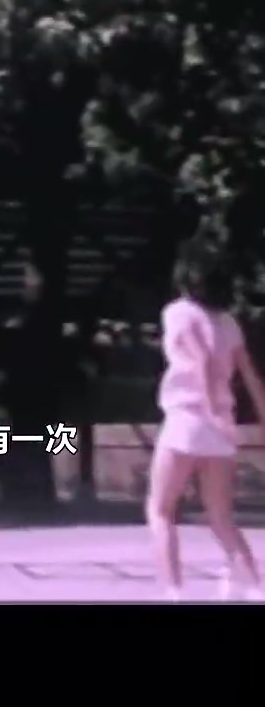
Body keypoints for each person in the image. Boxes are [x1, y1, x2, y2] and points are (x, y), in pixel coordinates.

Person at [147, 242, 265, 602]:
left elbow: (203, 360)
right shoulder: (229, 322)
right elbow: (249, 375)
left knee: (161, 509)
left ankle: (174, 591)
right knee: (221, 516)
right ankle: (253, 584)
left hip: (187, 419)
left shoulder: (178, 312)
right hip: (222, 427)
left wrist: (209, 406)